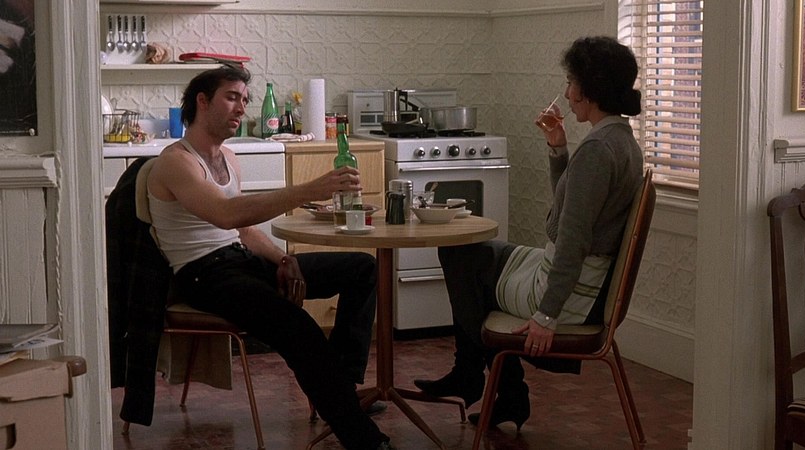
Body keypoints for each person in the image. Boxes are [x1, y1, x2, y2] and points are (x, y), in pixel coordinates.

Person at [146, 66, 394, 450]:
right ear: (202, 101)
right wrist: (309, 189)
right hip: (203, 275)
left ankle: (341, 391)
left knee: (361, 268)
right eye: (232, 97)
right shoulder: (176, 161)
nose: (241, 108)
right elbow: (226, 215)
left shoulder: (229, 158)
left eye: (244, 100)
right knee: (299, 327)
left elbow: (243, 230)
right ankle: (364, 440)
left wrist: (281, 258)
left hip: (240, 260)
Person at [413, 36, 645, 430]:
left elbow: (572, 239)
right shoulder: (620, 140)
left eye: (571, 83)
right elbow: (572, 209)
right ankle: (487, 384)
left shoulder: (597, 151)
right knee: (468, 251)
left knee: (463, 264)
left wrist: (547, 314)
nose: (567, 94)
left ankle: (489, 383)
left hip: (569, 292)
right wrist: (558, 149)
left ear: (589, 90)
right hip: (585, 279)